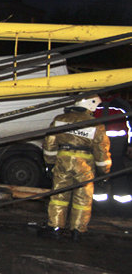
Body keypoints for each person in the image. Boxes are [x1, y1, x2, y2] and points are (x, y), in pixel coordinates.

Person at [40, 95, 111, 241]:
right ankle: (78, 231)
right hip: (84, 166)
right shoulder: (96, 124)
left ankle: (55, 228)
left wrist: (50, 164)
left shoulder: (60, 119)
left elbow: (49, 144)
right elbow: (101, 151)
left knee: (59, 197)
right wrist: (104, 172)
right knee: (83, 200)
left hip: (63, 163)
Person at [93, 95, 132, 204]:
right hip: (115, 141)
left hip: (109, 141)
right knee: (114, 167)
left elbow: (130, 125)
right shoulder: (121, 104)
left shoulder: (95, 102)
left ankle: (104, 200)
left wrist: (130, 144)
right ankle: (118, 199)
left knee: (102, 167)